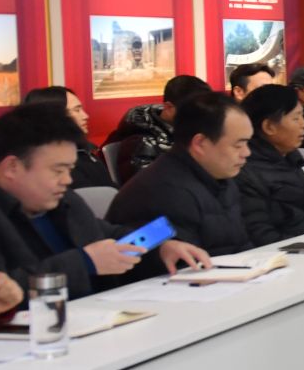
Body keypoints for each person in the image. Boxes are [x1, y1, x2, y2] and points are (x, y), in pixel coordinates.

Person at [0, 107, 210, 295]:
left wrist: (160, 249)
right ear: (12, 167)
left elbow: (104, 233)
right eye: (57, 170)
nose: (67, 180)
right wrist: (85, 262)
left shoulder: (61, 199)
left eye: (69, 170)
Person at [107, 92, 256, 265]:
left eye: (247, 143)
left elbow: (238, 246)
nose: (247, 152)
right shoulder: (165, 192)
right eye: (238, 145)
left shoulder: (219, 177)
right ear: (200, 143)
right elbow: (183, 269)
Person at [235, 83, 304, 244]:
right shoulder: (247, 172)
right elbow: (261, 234)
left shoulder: (293, 157)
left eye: (303, 116)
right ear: (269, 127)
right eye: (296, 118)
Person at [104, 73, 211, 178]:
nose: (198, 118)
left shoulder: (188, 130)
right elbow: (151, 185)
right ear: (168, 107)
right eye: (191, 112)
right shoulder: (142, 142)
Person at [21, 85, 115, 190]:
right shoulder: (55, 164)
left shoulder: (84, 152)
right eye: (76, 110)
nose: (85, 116)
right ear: (54, 116)